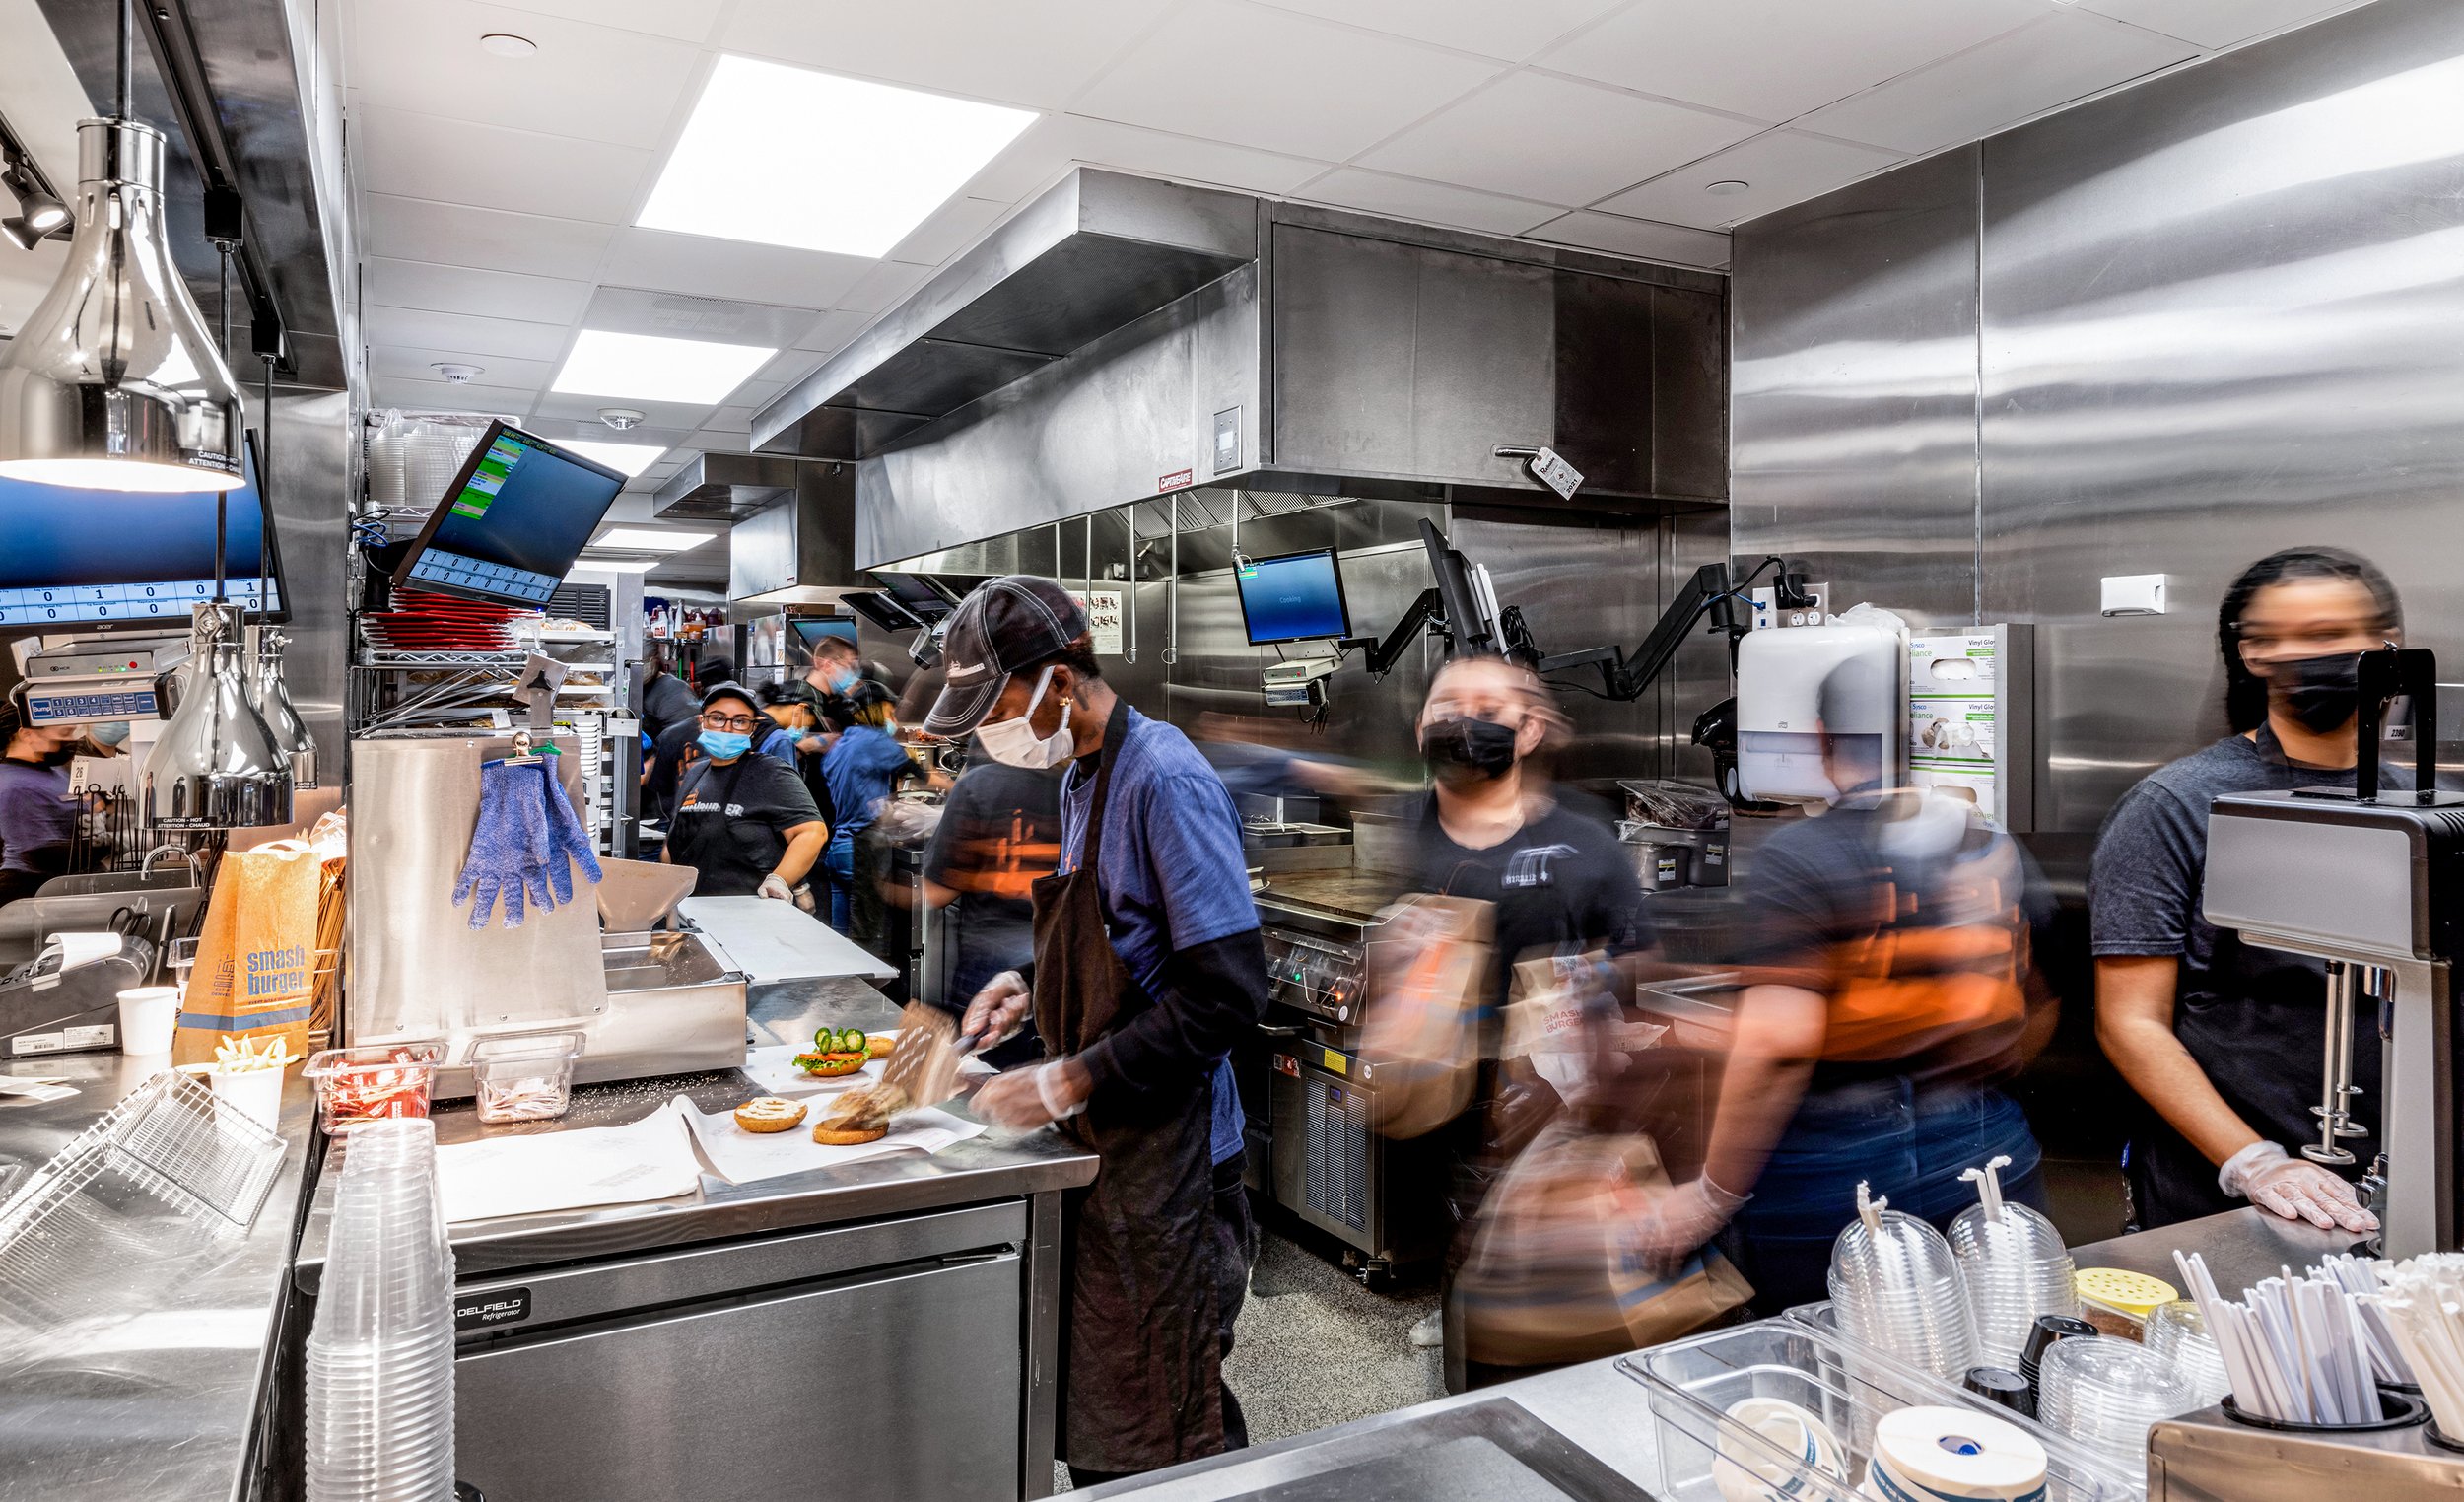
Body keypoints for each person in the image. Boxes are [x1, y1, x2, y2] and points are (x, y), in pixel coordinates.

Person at [934, 577, 1266, 1489]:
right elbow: (1124, 942)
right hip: (1115, 1144)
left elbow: (1224, 995)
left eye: (998, 705)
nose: (996, 729)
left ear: (1062, 680)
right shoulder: (1087, 776)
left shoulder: (1164, 777)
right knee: (1120, 1410)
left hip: (1179, 1159)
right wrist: (1028, 989)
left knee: (1172, 1415)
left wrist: (1061, 1082)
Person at [1638, 654, 2054, 1313]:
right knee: (1990, 1364)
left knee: (1840, 1383)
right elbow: (2036, 1005)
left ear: (1824, 740)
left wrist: (1711, 1195)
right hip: (1990, 1164)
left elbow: (1779, 1046)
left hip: (1845, 1186)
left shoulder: (1801, 855)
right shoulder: (1988, 842)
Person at [2090, 547, 2400, 1236]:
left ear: (2389, 646)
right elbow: (2130, 1021)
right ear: (2250, 654)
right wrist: (2255, 1163)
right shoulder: (2174, 805)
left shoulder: (2420, 805)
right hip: (2232, 1194)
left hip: (2403, 1177)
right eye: (2284, 639)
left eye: (2332, 636)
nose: (2311, 656)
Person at [1388, 655, 1652, 1387]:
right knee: (1472, 1292)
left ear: (1529, 730)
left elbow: (1634, 958)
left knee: (1539, 1343)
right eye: (1448, 705)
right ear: (1421, 725)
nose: (1464, 721)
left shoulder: (1581, 841)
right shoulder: (1412, 827)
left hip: (1541, 1113)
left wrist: (1571, 1037)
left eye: (1488, 706)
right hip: (1439, 1109)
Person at [922, 735, 1064, 1063]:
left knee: (982, 1077)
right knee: (1036, 1075)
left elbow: (938, 891)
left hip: (990, 967)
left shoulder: (977, 784)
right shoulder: (1070, 782)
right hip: (1051, 963)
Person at [658, 683, 828, 903]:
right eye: (718, 718)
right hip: (693, 909)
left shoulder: (770, 771)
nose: (727, 728)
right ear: (702, 723)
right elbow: (672, 845)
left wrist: (780, 880)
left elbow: (812, 832)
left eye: (739, 721)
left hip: (750, 911)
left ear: (752, 729)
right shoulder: (695, 774)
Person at [817, 681, 934, 935]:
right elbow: (927, 776)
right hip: (862, 850)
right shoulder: (875, 741)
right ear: (876, 710)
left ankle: (843, 977)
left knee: (839, 935)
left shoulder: (841, 744)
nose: (894, 721)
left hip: (838, 847)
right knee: (865, 937)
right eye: (890, 712)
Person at [0, 703, 80, 906]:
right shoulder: (14, 785)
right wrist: (108, 844)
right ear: (27, 735)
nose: (70, 740)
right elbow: (40, 854)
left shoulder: (55, 773)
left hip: (60, 883)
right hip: (30, 890)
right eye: (64, 733)